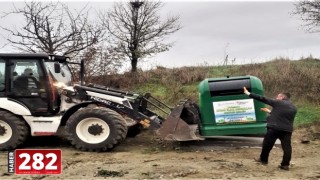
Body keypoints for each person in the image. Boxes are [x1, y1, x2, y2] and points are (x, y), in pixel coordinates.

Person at [243, 87, 297, 170]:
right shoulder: (293, 107)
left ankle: (263, 160)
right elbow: (283, 116)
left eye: (278, 96)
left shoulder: (279, 102)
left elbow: (263, 99)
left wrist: (248, 93)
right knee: (287, 148)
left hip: (274, 128)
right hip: (287, 130)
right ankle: (285, 165)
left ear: (282, 97)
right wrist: (269, 112)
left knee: (267, 145)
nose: (276, 98)